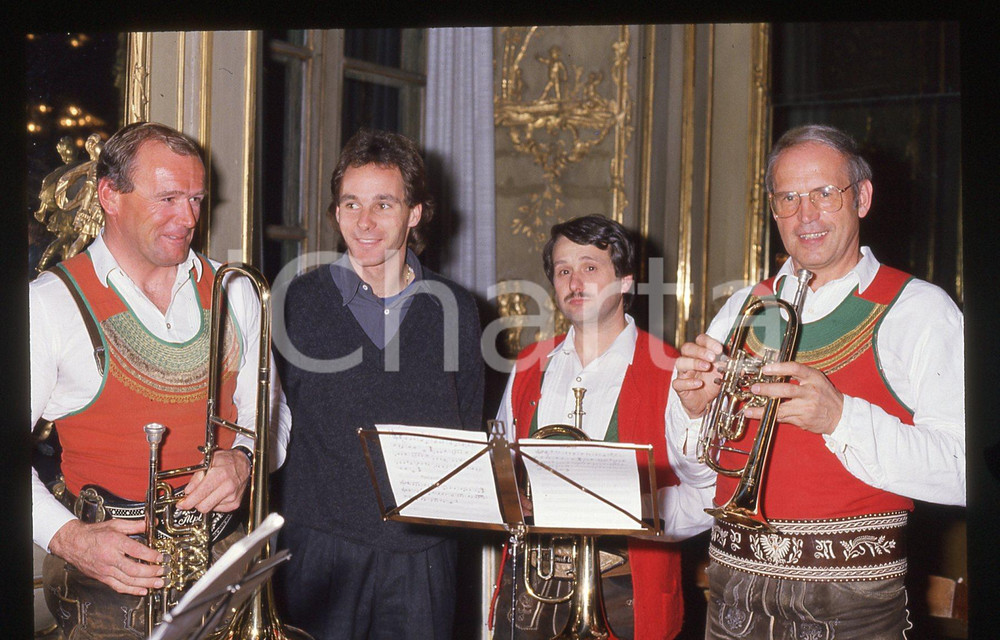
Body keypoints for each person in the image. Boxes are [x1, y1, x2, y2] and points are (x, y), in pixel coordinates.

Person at [668, 124, 965, 639]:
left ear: (863, 198)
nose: (806, 215)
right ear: (773, 209)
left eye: (825, 193)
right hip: (732, 592)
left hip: (849, 599)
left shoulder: (919, 309)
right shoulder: (746, 308)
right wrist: (693, 413)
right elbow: (698, 477)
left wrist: (841, 418)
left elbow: (964, 472)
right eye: (789, 198)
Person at [30, 121, 291, 638]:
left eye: (196, 198)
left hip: (223, 565)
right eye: (168, 197)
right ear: (110, 196)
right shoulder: (48, 304)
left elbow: (274, 413)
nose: (188, 217)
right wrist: (66, 537)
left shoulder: (234, 290)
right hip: (111, 582)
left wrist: (245, 458)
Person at [274, 128, 485, 640]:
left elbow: (467, 433)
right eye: (351, 203)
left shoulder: (456, 308)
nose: (364, 222)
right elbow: (271, 427)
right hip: (317, 551)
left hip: (422, 557)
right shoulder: (295, 301)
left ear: (415, 213)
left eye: (384, 204)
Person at [493, 214, 716, 640]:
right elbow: (502, 469)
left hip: (625, 588)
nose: (575, 282)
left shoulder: (672, 371)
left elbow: (706, 494)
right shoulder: (527, 365)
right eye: (563, 271)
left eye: (590, 267)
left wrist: (636, 514)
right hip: (531, 588)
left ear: (627, 281)